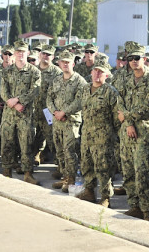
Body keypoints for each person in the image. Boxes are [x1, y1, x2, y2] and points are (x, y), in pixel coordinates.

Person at [117, 45, 149, 222]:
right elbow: (120, 102)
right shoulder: (127, 80)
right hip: (127, 132)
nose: (134, 61)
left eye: (137, 58)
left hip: (143, 132)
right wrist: (128, 123)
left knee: (142, 172)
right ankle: (134, 206)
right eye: (131, 58)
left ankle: (147, 210)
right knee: (127, 171)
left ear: (144, 58)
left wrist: (127, 117)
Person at [78, 62, 119, 207]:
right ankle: (89, 191)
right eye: (95, 71)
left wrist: (113, 137)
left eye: (101, 72)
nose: (97, 74)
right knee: (86, 164)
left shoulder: (110, 92)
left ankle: (105, 197)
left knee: (103, 167)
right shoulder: (84, 89)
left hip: (103, 137)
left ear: (106, 75)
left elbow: (116, 118)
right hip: (86, 134)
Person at [0, 40, 41, 185]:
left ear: (28, 53)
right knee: (7, 143)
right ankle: (6, 171)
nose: (20, 54)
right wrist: (13, 103)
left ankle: (28, 173)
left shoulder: (34, 71)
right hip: (9, 114)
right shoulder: (7, 71)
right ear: (14, 53)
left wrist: (18, 100)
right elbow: (3, 92)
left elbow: (35, 90)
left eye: (23, 51)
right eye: (17, 52)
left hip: (26, 115)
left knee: (26, 145)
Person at [47, 51, 87, 192]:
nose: (65, 64)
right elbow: (49, 98)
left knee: (69, 151)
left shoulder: (79, 81)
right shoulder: (56, 80)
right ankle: (64, 177)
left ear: (73, 64)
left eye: (68, 62)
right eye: (62, 61)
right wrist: (55, 112)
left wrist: (64, 112)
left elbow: (80, 100)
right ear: (59, 63)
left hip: (71, 121)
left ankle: (70, 179)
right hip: (57, 121)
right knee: (59, 151)